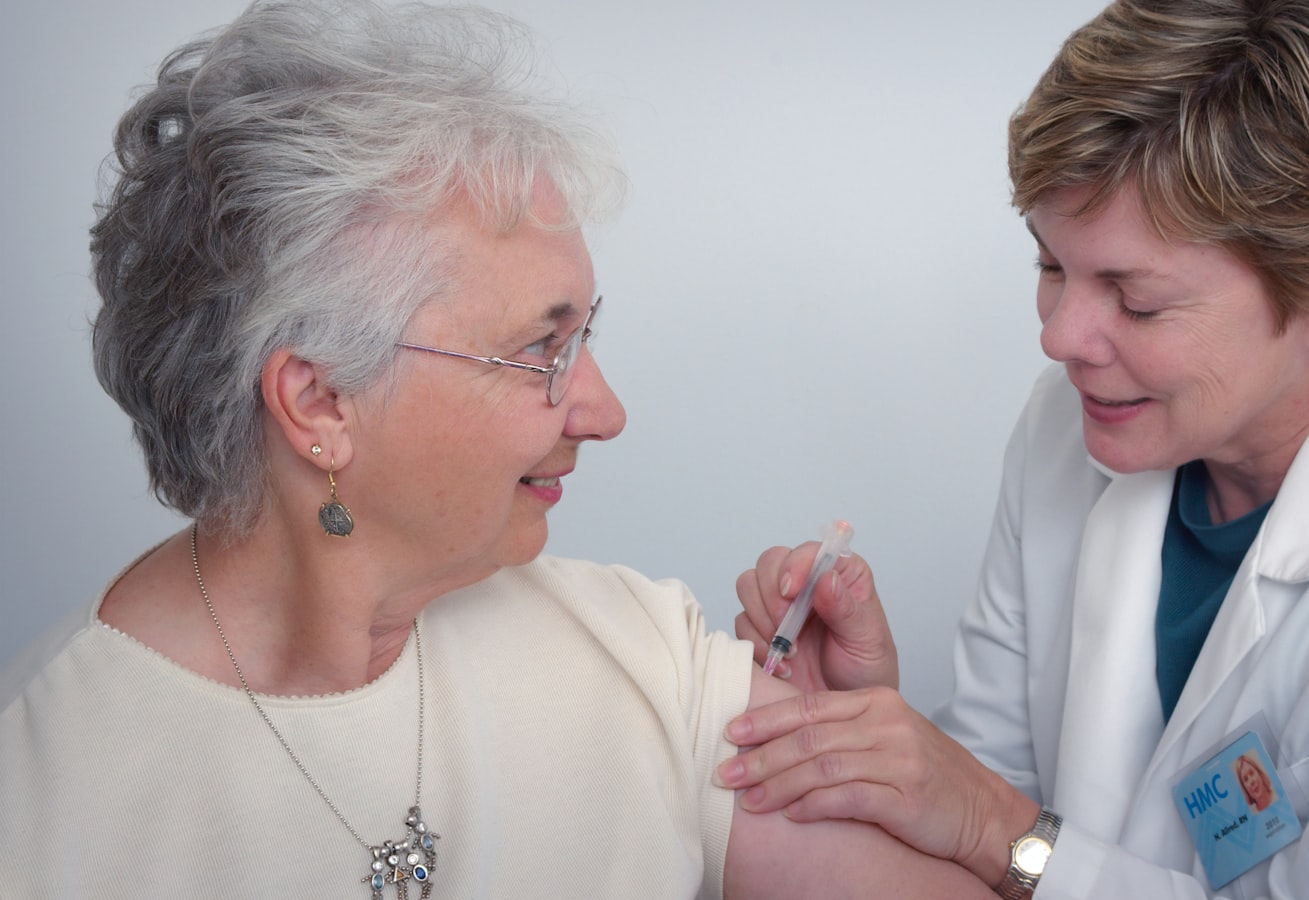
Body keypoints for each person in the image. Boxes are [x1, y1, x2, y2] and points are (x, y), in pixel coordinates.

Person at [0, 2, 996, 897]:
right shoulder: (39, 802)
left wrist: (863, 771)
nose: (603, 412)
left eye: (583, 336)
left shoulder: (641, 663)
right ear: (318, 402)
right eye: (540, 350)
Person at [720, 0, 1309, 897]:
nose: (1061, 337)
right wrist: (873, 736)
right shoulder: (1072, 429)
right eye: (1050, 266)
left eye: (1135, 301)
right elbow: (986, 823)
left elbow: (1000, 829)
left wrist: (989, 819)